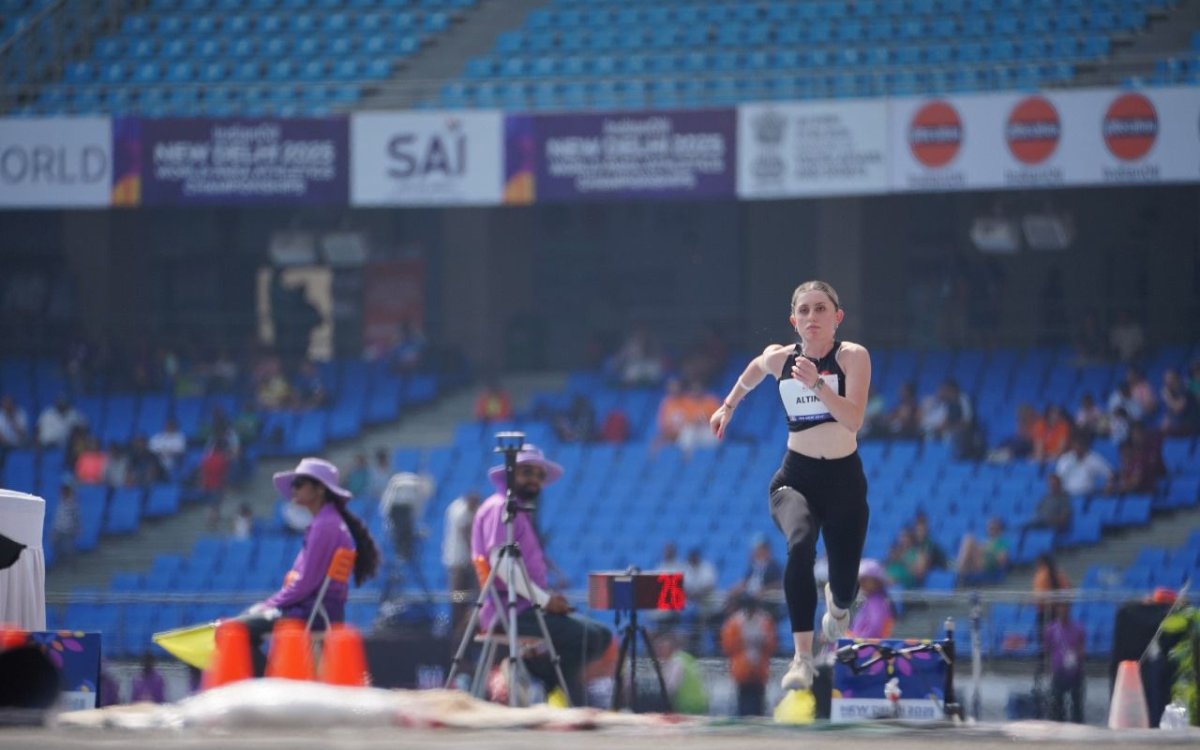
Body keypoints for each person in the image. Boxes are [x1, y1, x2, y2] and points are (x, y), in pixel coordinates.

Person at [709, 280, 871, 691]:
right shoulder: (780, 359)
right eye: (804, 310)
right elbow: (752, 372)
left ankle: (838, 604)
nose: (812, 317)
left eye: (821, 309)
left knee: (845, 589)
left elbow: (853, 420)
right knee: (799, 544)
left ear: (837, 317)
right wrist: (728, 406)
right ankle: (801, 658)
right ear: (793, 320)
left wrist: (817, 382)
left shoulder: (852, 357)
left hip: (844, 482)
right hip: (795, 477)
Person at [469, 444, 612, 707]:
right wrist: (545, 600)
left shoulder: (519, 511)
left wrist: (545, 600)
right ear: (511, 474)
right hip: (509, 612)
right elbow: (500, 563)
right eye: (527, 472)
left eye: (539, 474)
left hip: (528, 607)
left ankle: (537, 678)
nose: (534, 479)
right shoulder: (500, 507)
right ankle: (549, 687)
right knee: (588, 636)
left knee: (600, 635)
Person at [237, 457, 380, 676]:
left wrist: (268, 605)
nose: (294, 488)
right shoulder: (328, 522)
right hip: (316, 609)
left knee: (235, 631)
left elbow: (305, 584)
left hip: (311, 612)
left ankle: (271, 687)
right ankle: (275, 682)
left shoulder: (325, 526)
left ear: (320, 489)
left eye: (299, 483)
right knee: (242, 627)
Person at [720, 593, 776, 716]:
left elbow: (771, 644)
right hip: (742, 668)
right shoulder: (735, 622)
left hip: (760, 668)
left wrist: (761, 642)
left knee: (759, 702)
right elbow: (728, 646)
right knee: (743, 702)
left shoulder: (764, 621)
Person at [442, 489, 481, 647]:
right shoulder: (462, 512)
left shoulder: (456, 508)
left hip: (463, 565)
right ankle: (458, 636)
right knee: (459, 598)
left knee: (471, 599)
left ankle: (467, 631)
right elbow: (466, 533)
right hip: (460, 566)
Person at [1042, 605, 1085, 723]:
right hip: (1058, 669)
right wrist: (1048, 668)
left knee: (1077, 701)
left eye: (1065, 608)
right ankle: (1058, 723)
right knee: (1057, 700)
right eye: (1060, 609)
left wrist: (1076, 656)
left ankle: (1077, 723)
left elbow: (1081, 647)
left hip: (1074, 670)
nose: (1063, 611)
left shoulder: (1078, 628)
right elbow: (1047, 650)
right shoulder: (1051, 629)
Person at [955, 516, 1011, 585]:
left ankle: (958, 571)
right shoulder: (985, 541)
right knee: (968, 539)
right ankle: (959, 571)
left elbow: (1002, 562)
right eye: (989, 528)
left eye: (993, 528)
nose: (990, 530)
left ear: (999, 529)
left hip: (988, 567)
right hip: (977, 563)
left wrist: (987, 550)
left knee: (969, 539)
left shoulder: (1002, 542)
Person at [848, 559, 895, 639]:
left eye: (866, 579)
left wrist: (853, 639)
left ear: (877, 581)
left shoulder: (877, 602)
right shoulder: (869, 601)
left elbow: (875, 630)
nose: (862, 582)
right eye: (861, 579)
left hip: (867, 648)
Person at [51, 483, 80, 568]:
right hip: (58, 528)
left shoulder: (72, 504)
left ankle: (73, 565)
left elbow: (76, 517)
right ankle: (59, 564)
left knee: (69, 548)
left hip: (68, 529)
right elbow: (57, 517)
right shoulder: (60, 503)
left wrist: (76, 528)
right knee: (55, 545)